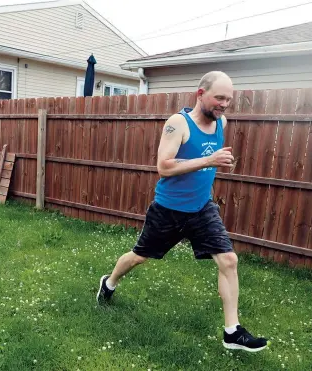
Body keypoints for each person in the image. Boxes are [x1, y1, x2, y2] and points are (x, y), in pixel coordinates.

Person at [96, 71, 268, 352]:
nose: (224, 104)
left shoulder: (221, 121)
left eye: (229, 99)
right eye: (219, 97)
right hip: (168, 211)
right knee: (139, 257)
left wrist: (217, 162)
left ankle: (232, 331)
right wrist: (209, 160)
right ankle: (110, 282)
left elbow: (208, 161)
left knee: (228, 260)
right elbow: (164, 167)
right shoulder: (179, 123)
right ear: (201, 94)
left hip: (201, 208)